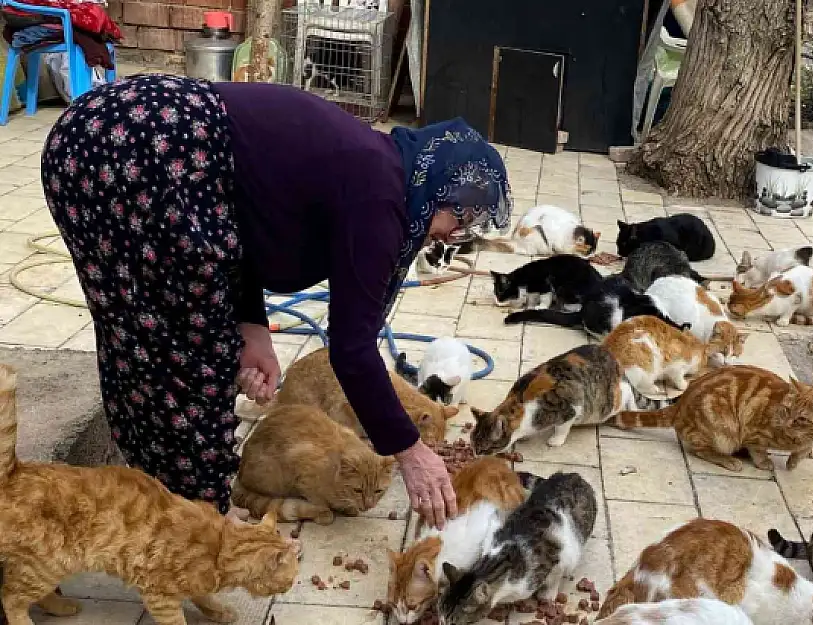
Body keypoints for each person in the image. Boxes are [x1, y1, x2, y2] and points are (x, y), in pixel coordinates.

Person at [40, 74, 511, 529]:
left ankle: (172, 497)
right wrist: (411, 451)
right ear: (435, 184)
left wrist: (254, 329)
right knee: (183, 345)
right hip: (138, 149)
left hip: (112, 135)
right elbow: (351, 351)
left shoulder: (381, 170)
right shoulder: (378, 199)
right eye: (459, 213)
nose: (455, 232)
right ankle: (198, 517)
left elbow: (237, 223)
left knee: (158, 333)